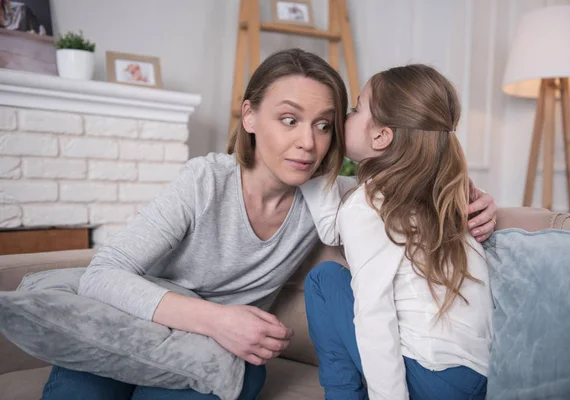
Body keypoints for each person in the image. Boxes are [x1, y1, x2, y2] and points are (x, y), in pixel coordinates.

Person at [40, 50, 497, 400]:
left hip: (217, 356)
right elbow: (101, 275)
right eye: (289, 120)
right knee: (86, 372)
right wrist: (218, 320)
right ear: (250, 116)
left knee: (221, 375)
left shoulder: (330, 197)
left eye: (323, 125)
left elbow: (412, 170)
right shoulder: (204, 181)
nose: (307, 143)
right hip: (141, 326)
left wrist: (473, 200)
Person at [301, 64, 494, 400]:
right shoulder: (439, 191)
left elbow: (374, 315)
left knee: (325, 280)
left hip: (429, 380)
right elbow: (336, 229)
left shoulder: (369, 204)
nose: (345, 118)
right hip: (477, 382)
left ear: (381, 136)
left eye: (356, 108)